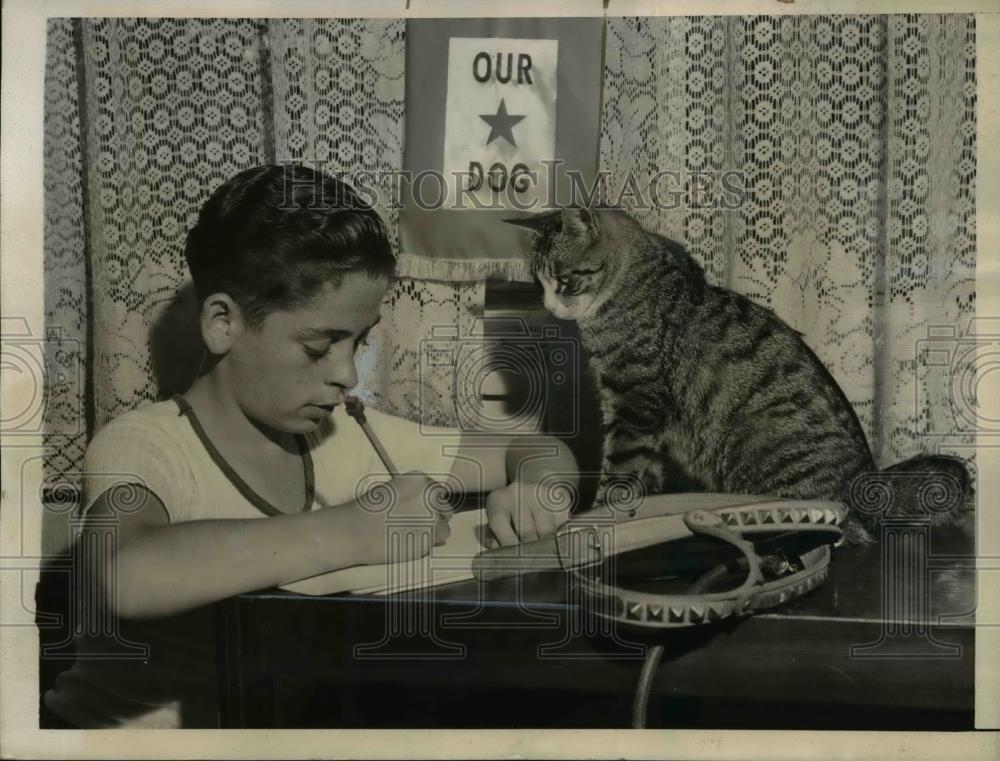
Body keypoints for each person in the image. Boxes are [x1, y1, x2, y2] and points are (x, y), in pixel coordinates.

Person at [43, 164, 579, 728]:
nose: (347, 373)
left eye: (359, 341)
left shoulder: (339, 434)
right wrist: (355, 530)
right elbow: (124, 577)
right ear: (223, 324)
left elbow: (536, 448)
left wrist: (535, 492)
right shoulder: (144, 445)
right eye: (319, 345)